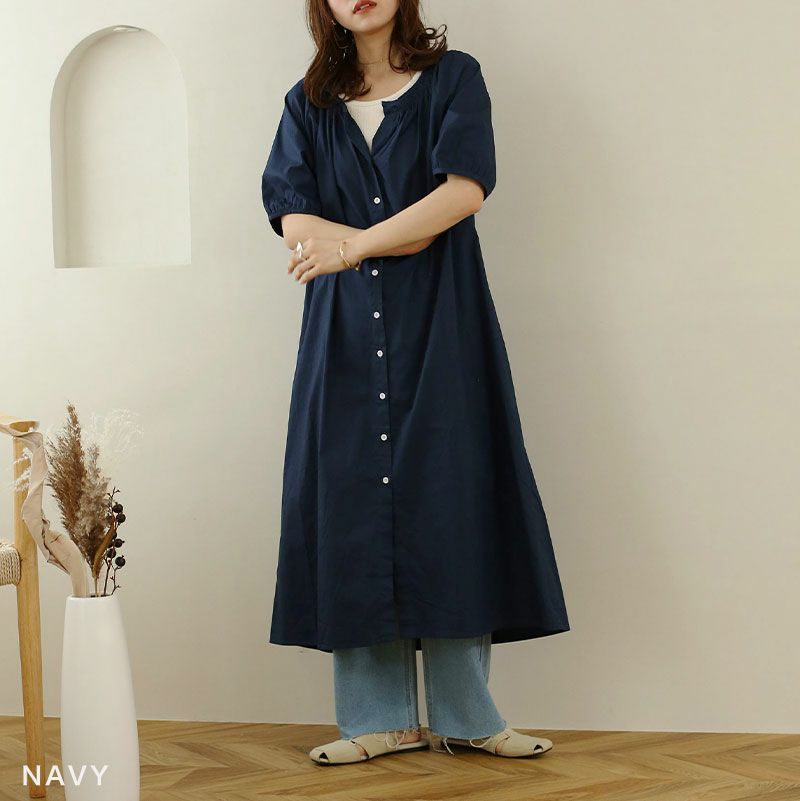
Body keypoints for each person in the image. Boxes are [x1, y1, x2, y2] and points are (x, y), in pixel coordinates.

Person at [261, 0, 570, 765]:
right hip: (342, 335)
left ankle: (468, 715)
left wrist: (351, 247)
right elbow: (294, 220)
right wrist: (388, 239)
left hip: (443, 324)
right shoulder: (306, 104)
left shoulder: (453, 78)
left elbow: (462, 193)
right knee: (352, 506)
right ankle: (379, 719)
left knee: (450, 499)